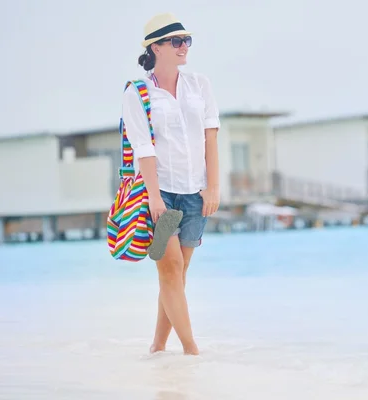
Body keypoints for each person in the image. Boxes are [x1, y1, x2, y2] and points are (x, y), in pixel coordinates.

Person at [121, 12, 221, 356]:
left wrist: (213, 187)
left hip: (195, 194)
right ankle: (192, 351)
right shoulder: (138, 93)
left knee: (179, 274)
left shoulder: (200, 85)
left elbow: (211, 138)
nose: (183, 47)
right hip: (161, 194)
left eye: (186, 40)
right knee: (171, 267)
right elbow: (144, 149)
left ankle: (158, 346)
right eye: (176, 41)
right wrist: (153, 198)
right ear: (156, 47)